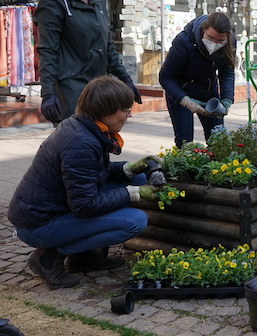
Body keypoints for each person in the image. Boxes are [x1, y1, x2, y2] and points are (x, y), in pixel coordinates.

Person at [8, 76, 161, 289]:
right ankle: (49, 257)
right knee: (134, 221)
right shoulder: (80, 143)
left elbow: (94, 174)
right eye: (125, 110)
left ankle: (84, 258)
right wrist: (134, 194)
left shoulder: (85, 126)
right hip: (39, 224)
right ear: (105, 112)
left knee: (138, 177)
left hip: (55, 208)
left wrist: (129, 169)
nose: (128, 115)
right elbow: (85, 205)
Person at [34, 0, 141, 126]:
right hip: (71, 88)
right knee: (77, 142)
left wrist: (126, 80)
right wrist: (48, 92)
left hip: (99, 88)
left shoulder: (98, 3)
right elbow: (47, 51)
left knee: (102, 141)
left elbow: (108, 47)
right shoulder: (54, 5)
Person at [159, 12, 237, 147]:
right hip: (181, 93)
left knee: (218, 142)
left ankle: (217, 167)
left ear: (227, 36)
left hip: (209, 93)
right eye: (210, 38)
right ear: (203, 29)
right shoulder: (184, 41)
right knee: (185, 144)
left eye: (220, 41)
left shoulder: (230, 42)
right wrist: (185, 101)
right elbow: (165, 76)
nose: (214, 44)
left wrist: (227, 99)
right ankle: (185, 167)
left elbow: (227, 72)